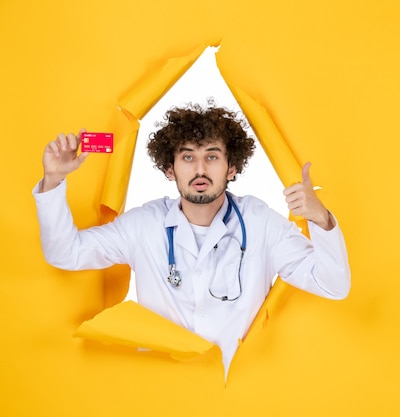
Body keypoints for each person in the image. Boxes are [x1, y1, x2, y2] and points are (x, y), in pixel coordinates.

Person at [33, 102, 351, 374]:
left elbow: (332, 285)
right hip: (161, 394)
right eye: (187, 158)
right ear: (170, 169)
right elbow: (66, 253)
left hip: (235, 394)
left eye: (212, 157)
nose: (200, 169)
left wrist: (319, 218)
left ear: (232, 168)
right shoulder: (144, 225)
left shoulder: (261, 223)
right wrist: (53, 180)